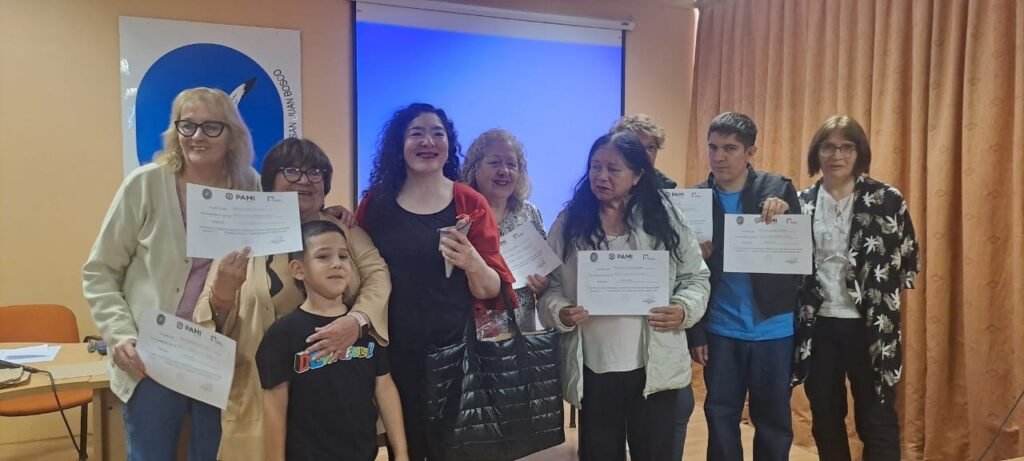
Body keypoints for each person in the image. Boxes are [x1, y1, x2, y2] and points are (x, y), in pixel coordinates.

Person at [82, 87, 260, 460]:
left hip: (217, 352)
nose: (197, 136)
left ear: (232, 134)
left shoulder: (249, 185)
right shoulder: (145, 183)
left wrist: (331, 214)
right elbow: (100, 271)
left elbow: (274, 243)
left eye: (211, 126)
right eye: (187, 125)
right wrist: (120, 334)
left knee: (215, 454)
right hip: (151, 354)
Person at [192, 138, 391, 460]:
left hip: (334, 388)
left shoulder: (344, 229)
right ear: (271, 180)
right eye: (292, 171)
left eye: (315, 172)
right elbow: (206, 321)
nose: (304, 180)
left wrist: (357, 320)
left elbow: (378, 275)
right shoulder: (241, 233)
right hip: (264, 389)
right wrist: (223, 293)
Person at [355, 103, 517, 460]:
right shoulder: (376, 203)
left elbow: (493, 290)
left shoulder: (469, 202)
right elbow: (359, 270)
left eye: (437, 134)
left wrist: (472, 261)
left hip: (457, 357)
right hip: (394, 354)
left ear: (449, 144)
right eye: (417, 133)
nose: (428, 142)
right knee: (405, 449)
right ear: (399, 144)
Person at [539, 131, 710, 461]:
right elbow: (550, 287)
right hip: (593, 368)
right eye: (595, 166)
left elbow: (696, 278)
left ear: (637, 175)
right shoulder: (569, 221)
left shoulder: (666, 218)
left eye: (613, 169)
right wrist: (560, 312)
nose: (601, 176)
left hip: (654, 369)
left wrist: (683, 308)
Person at [792, 115, 919, 461]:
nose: (837, 155)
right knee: (826, 416)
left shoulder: (887, 199)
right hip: (818, 324)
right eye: (828, 147)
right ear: (816, 153)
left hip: (870, 325)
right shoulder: (801, 202)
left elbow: (908, 258)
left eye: (846, 147)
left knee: (877, 417)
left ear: (859, 152)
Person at [686, 112, 800, 461]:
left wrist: (786, 215)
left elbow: (800, 255)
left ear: (750, 152)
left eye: (730, 148)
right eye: (713, 147)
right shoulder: (694, 200)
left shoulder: (777, 189)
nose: (719, 157)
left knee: (773, 419)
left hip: (773, 326)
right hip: (721, 328)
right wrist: (696, 333)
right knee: (720, 414)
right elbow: (682, 275)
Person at [256, 220, 407, 461]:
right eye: (323, 257)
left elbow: (385, 389)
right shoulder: (282, 334)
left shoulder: (364, 328)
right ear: (298, 269)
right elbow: (274, 407)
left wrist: (401, 453)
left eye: (344, 257)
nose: (336, 263)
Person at [459, 128, 549, 331]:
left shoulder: (529, 213)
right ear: (474, 168)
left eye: (511, 164)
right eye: (494, 163)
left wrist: (544, 284)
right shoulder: (461, 215)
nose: (504, 171)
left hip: (521, 333)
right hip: (471, 333)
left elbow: (546, 270)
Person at [610, 113, 678, 188]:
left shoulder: (666, 187)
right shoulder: (604, 181)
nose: (645, 153)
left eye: (651, 147)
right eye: (637, 146)